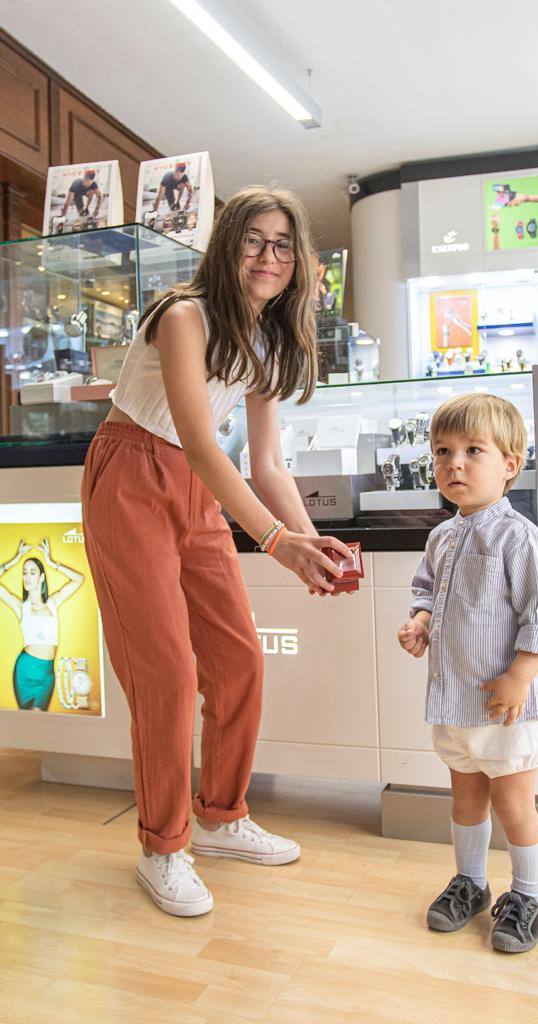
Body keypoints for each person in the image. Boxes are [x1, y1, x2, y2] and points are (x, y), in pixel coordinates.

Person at [81, 186, 352, 919]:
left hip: (197, 489)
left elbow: (267, 463)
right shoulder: (183, 315)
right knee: (166, 673)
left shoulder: (266, 338)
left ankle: (222, 817)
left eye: (283, 245)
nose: (268, 256)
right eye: (254, 240)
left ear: (298, 263)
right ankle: (162, 846)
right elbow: (201, 442)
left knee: (238, 659)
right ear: (226, 245)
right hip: (133, 472)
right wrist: (274, 541)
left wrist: (309, 539)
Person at [397, 394, 538, 954]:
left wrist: (520, 677)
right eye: (443, 452)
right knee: (466, 797)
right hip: (458, 702)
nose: (455, 464)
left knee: (514, 803)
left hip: (509, 705)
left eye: (473, 451)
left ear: (510, 464)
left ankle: (529, 895)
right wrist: (420, 621)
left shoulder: (519, 538)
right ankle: (470, 881)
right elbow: (427, 590)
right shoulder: (442, 536)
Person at [0, 539, 84, 711]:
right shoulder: (21, 607)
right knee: (30, 721)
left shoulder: (53, 603)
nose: (27, 577)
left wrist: (53, 564)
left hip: (47, 675)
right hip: (26, 670)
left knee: (39, 726)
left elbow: (79, 579)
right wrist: (14, 561)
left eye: (32, 572)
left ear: (42, 577)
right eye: (24, 572)